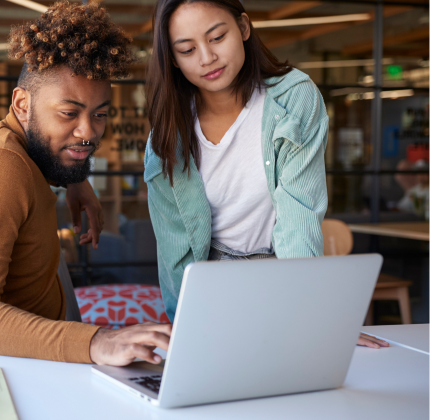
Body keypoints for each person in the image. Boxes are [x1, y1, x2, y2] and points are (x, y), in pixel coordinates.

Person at [0, 2, 173, 366]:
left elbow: (41, 159)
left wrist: (73, 178)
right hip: (16, 376)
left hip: (39, 362)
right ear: (22, 104)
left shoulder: (25, 154)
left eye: (100, 114)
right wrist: (97, 342)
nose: (88, 131)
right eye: (68, 113)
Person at [143, 0, 388, 348]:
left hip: (278, 274)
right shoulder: (167, 135)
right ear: (172, 58)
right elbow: (175, 250)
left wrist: (312, 316)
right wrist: (184, 325)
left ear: (243, 28)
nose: (206, 58)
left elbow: (299, 213)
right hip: (210, 284)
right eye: (187, 49)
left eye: (216, 37)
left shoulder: (294, 99)